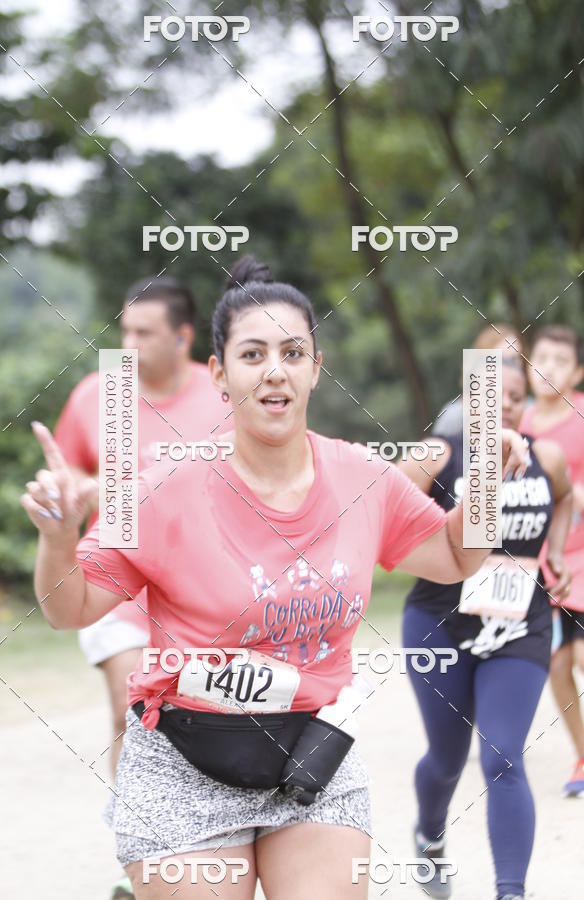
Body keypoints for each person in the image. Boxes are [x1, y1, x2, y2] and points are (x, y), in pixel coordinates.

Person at [22, 256, 529, 899]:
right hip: (184, 765)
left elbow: (457, 557)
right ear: (219, 375)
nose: (275, 370)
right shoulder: (156, 489)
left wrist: (486, 481)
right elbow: (70, 608)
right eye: (253, 353)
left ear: (316, 370)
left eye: (293, 352)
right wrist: (57, 533)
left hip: (308, 758)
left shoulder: (362, 478)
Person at [52, 275, 228, 899]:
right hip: (117, 579)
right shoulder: (98, 395)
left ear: (183, 337)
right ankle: (141, 853)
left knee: (198, 716)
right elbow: (70, 464)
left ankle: (200, 842)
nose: (127, 343)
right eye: (122, 331)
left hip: (203, 589)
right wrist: (73, 491)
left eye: (142, 333)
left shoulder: (222, 393)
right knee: (133, 704)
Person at [399, 355, 572, 900]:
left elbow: (564, 499)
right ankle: (429, 835)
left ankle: (510, 892)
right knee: (447, 759)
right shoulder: (437, 455)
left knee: (501, 756)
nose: (503, 405)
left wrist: (559, 552)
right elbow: (381, 513)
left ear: (527, 402)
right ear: (467, 402)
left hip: (520, 626)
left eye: (514, 396)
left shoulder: (548, 458)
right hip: (439, 625)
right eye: (489, 395)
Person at [521, 325, 584, 798]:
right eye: (541, 357)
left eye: (560, 360)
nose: (547, 367)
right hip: (540, 562)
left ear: (578, 372)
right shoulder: (519, 421)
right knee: (555, 662)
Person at [434, 323, 523, 439]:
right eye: (501, 358)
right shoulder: (455, 415)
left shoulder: (528, 409)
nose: (511, 365)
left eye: (516, 358)